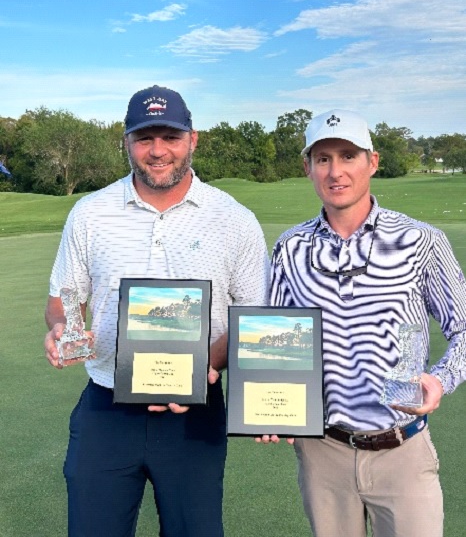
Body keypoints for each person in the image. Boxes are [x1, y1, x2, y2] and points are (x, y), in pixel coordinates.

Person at [44, 85, 270, 537]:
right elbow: (63, 298)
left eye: (170, 136)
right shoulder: (90, 213)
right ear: (126, 142)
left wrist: (203, 365)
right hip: (106, 407)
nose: (158, 150)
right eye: (145, 138)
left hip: (195, 413)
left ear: (193, 139)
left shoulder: (234, 218)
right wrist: (59, 329)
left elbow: (254, 315)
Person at [264, 109, 466, 537]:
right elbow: (277, 345)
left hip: (402, 448)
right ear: (308, 167)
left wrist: (442, 379)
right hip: (324, 452)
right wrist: (268, 406)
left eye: (348, 156)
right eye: (323, 159)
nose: (335, 171)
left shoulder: (421, 240)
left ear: (372, 162)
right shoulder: (290, 248)